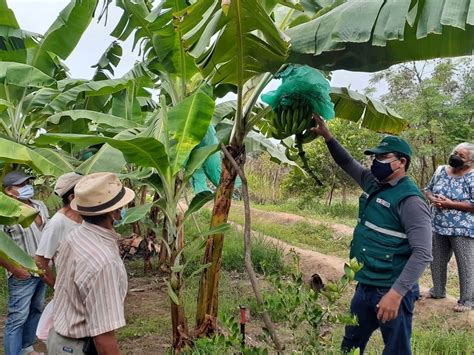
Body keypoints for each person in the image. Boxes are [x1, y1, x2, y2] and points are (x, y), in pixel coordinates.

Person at [311, 115, 432, 355]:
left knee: (396, 350)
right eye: (374, 157)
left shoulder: (410, 201)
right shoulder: (373, 183)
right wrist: (328, 137)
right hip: (365, 285)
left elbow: (422, 253)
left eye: (383, 157)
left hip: (390, 289)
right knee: (350, 346)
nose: (375, 162)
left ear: (401, 163)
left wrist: (396, 294)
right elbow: (347, 163)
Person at [48, 172, 135, 354]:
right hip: (81, 347)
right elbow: (103, 337)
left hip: (59, 340)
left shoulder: (74, 237)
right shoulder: (104, 261)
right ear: (114, 212)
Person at [0, 170, 49, 355]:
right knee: (17, 316)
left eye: (28, 183)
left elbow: (48, 233)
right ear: (8, 191)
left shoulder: (39, 205)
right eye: (21, 185)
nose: (27, 187)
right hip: (21, 273)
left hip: (42, 270)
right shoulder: (4, 212)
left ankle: (27, 347)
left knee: (36, 309)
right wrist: (14, 268)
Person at [424, 142, 474, 312]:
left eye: (461, 156)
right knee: (436, 259)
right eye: (455, 152)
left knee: (465, 263)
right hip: (438, 224)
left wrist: (451, 204)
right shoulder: (440, 171)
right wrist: (433, 200)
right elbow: (428, 190)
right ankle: (438, 291)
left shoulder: (472, 176)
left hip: (462, 229)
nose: (456, 157)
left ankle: (468, 301)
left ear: (470, 162)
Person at [35, 172, 83, 287]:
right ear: (72, 197)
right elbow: (40, 262)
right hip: (71, 288)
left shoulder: (88, 217)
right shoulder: (57, 223)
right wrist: (57, 287)